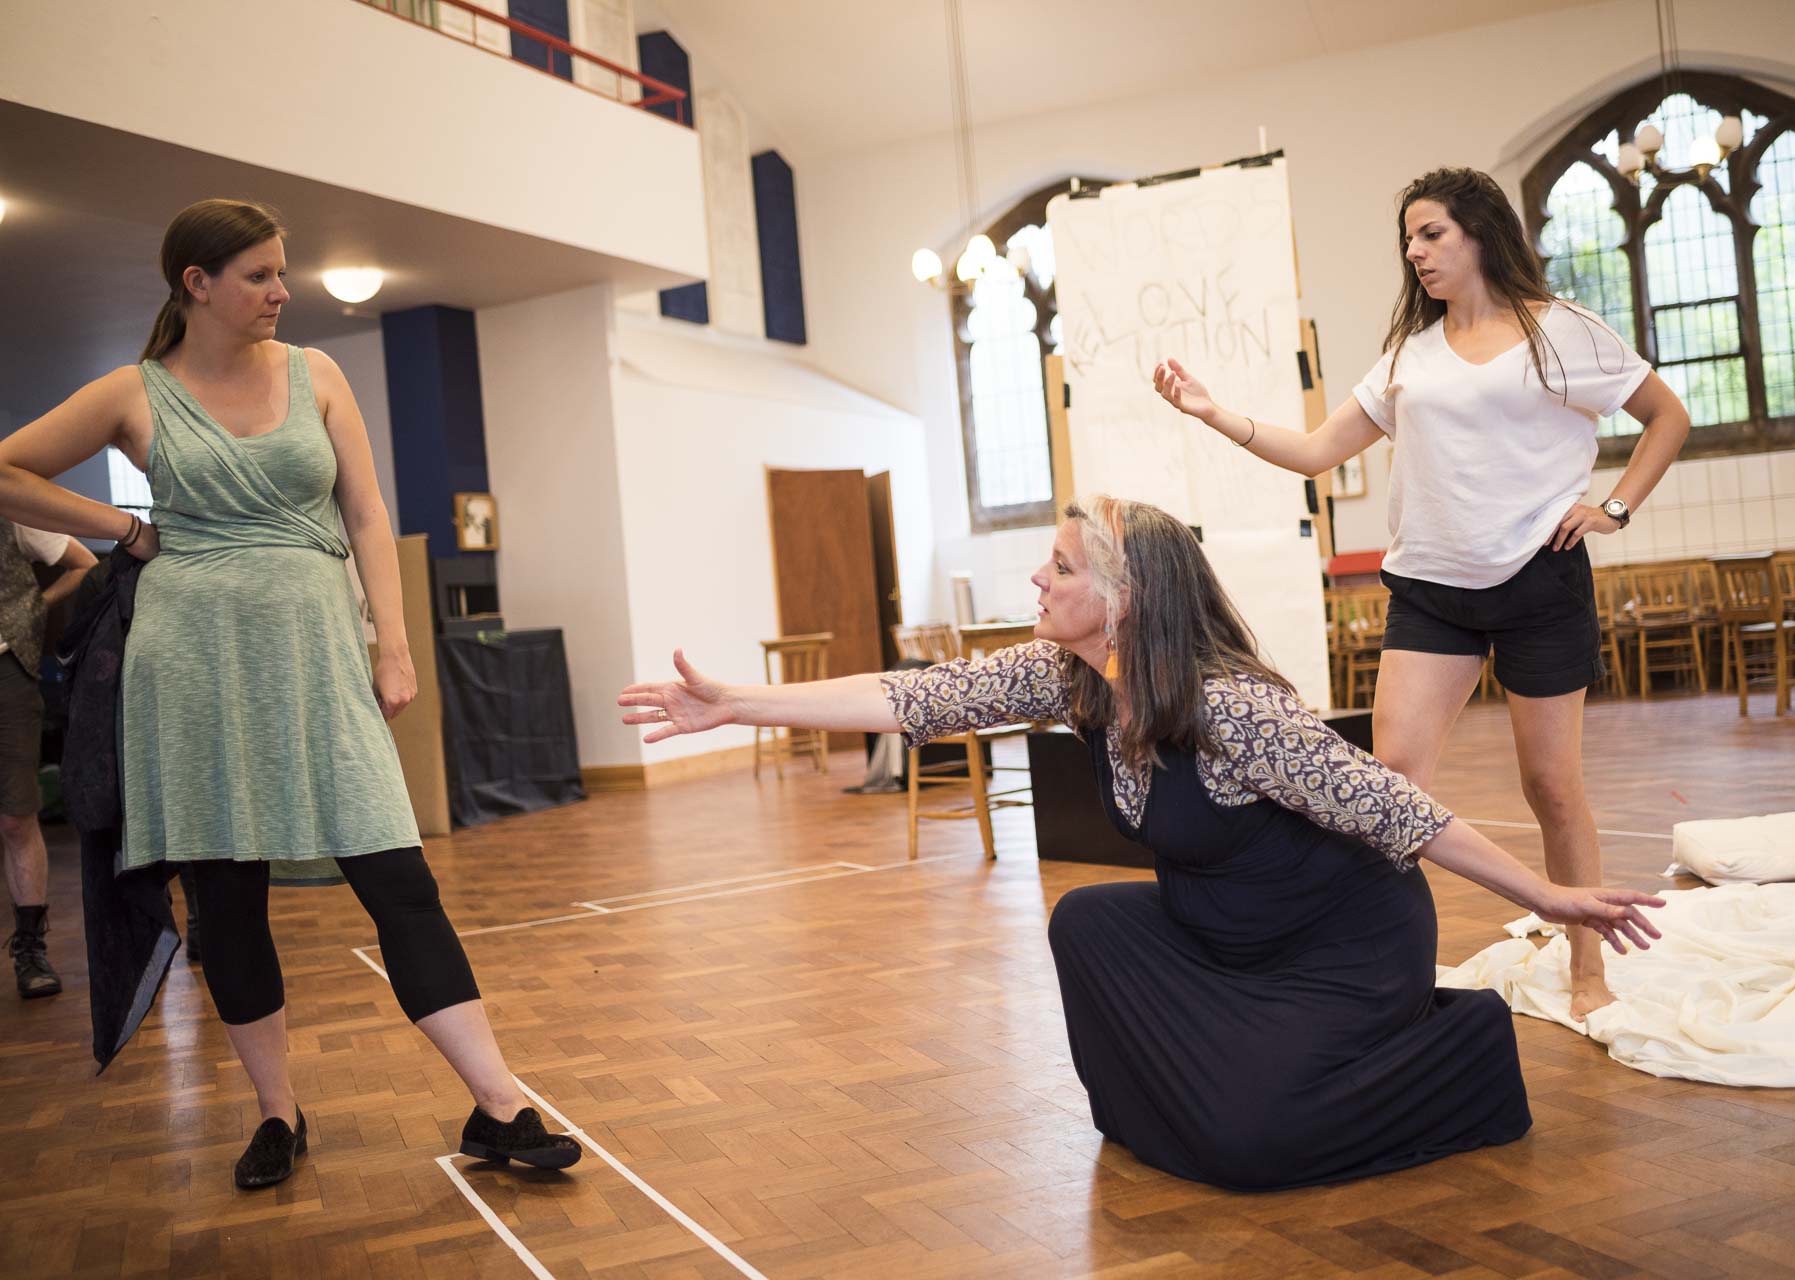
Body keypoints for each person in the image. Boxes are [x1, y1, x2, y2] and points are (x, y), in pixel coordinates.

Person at [617, 496, 1664, 1190]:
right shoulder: (1069, 672)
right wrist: (733, 705)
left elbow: (1400, 810)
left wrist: (1550, 894)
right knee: (1089, 923)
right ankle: (1197, 1102)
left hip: (1341, 946)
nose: (1038, 576)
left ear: (1125, 598)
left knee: (1253, 1146)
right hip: (1222, 933)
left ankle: (1456, 1040)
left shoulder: (1231, 706)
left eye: (1061, 564)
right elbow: (915, 696)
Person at [0, 199, 579, 1188]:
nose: (283, 290)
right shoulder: (136, 393)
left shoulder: (319, 373)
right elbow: (8, 468)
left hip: (315, 655)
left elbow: (364, 507)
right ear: (199, 285)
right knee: (229, 905)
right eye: (262, 274)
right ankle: (276, 1112)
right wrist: (124, 525)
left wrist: (392, 647)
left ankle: (500, 1103)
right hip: (191, 669)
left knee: (399, 879)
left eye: (282, 271)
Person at [1153, 167, 1691, 1019]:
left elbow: (1668, 415)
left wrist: (1615, 507)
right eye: (1408, 238)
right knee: (1389, 781)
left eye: (1430, 233)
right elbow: (1315, 451)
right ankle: (1379, 964)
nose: (1414, 251)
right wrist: (1212, 412)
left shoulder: (1562, 333)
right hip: (1431, 589)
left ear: (1478, 232)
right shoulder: (1409, 353)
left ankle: (1588, 964)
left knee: (1550, 787)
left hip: (1538, 579)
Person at [0, 518, 96, 997]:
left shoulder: (8, 500)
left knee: (18, 818)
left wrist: (30, 608)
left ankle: (31, 950)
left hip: (6, 674)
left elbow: (84, 561)